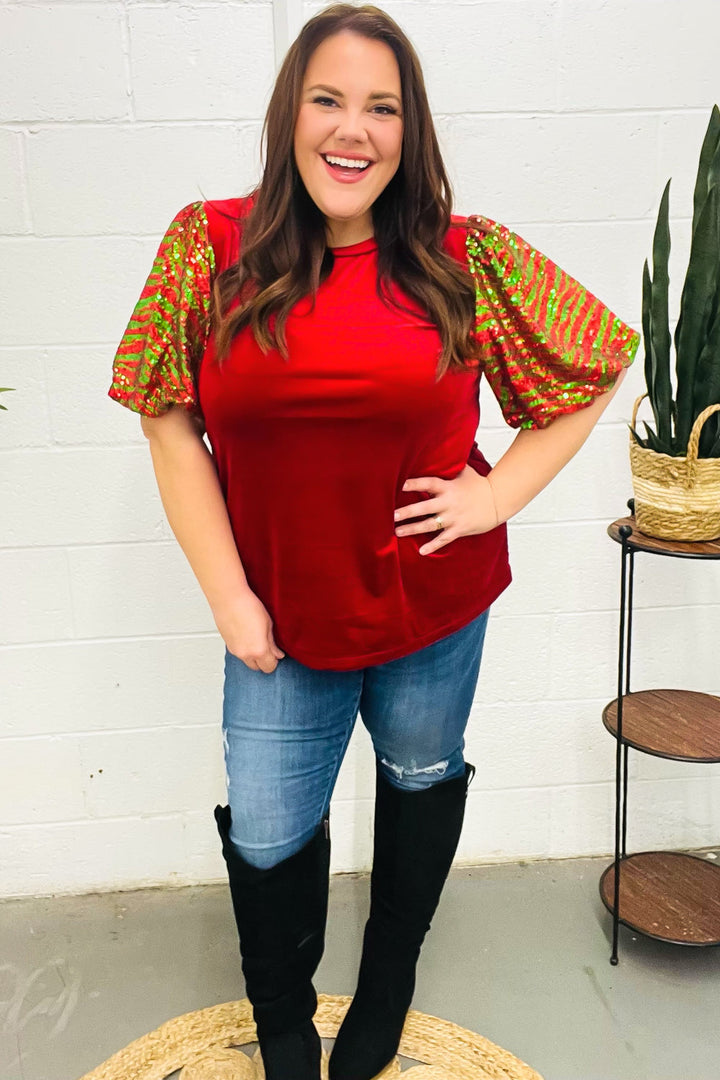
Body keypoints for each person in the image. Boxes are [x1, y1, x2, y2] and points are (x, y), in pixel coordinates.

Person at [109, 5, 639, 1079]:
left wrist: (495, 499)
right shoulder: (209, 246)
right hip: (277, 625)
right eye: (329, 100)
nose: (353, 129)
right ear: (290, 115)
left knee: (421, 780)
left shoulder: (461, 254)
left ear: (410, 129)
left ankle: (388, 983)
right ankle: (283, 1022)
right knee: (266, 834)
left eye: (382, 108)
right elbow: (167, 419)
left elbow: (593, 361)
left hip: (432, 615)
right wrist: (229, 597)